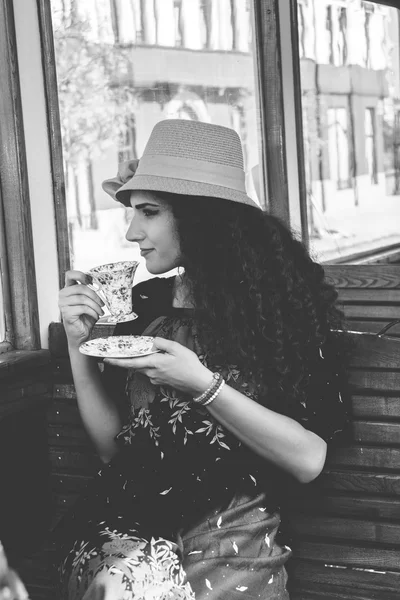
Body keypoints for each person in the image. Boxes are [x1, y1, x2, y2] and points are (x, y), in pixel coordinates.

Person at [56, 119, 349, 599]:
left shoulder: (279, 310)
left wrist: (202, 384)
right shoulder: (144, 305)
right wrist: (78, 344)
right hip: (130, 529)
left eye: (148, 212)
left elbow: (308, 460)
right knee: (125, 579)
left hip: (229, 542)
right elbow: (116, 450)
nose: (132, 232)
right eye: (132, 213)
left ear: (201, 218)